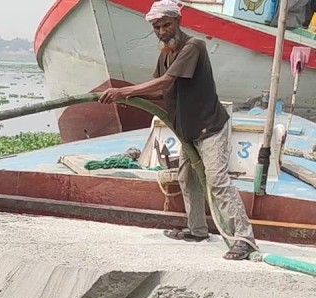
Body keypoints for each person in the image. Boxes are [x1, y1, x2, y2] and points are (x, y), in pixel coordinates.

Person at [99, 0, 257, 261]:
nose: (162, 32)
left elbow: (166, 81)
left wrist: (123, 91)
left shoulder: (193, 46)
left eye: (166, 25)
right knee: (187, 178)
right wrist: (126, 98)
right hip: (187, 131)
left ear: (177, 22)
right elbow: (161, 92)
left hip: (210, 128)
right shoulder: (166, 55)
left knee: (217, 182)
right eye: (157, 27)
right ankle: (197, 230)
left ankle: (244, 239)